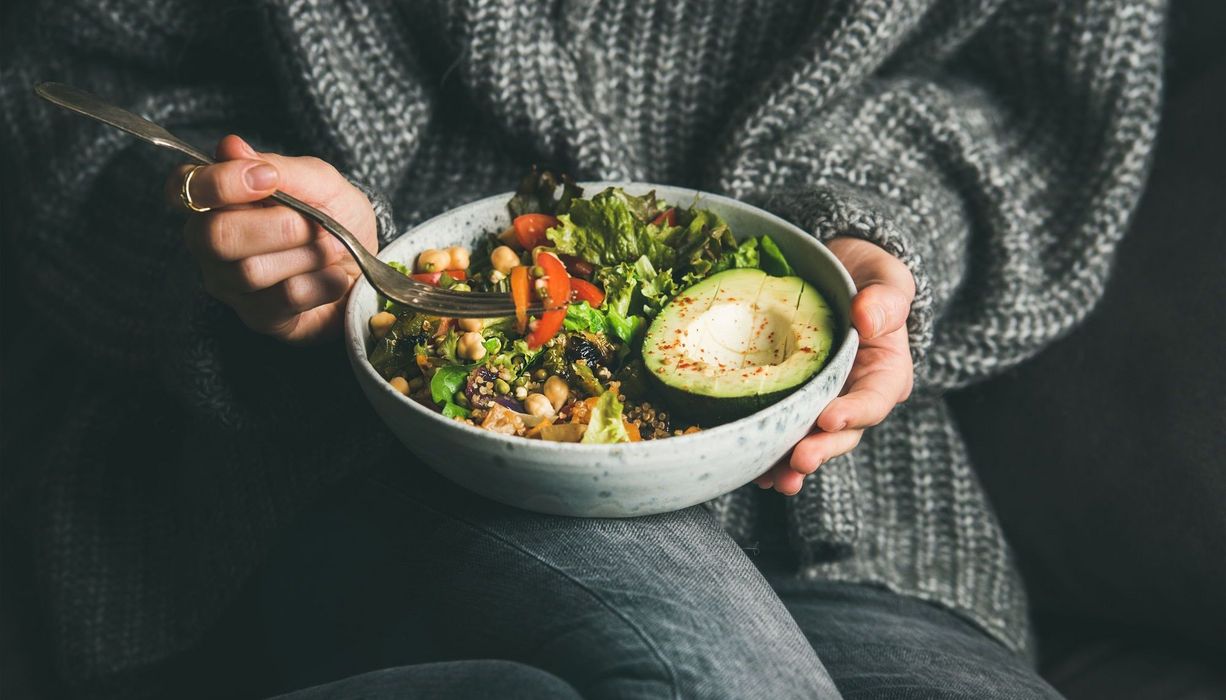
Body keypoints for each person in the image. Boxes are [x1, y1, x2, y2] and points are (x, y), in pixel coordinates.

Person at [0, 0, 1164, 698]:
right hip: (344, 451)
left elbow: (1032, 91)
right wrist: (244, 236)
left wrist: (871, 237)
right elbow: (77, 89)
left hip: (849, 501)